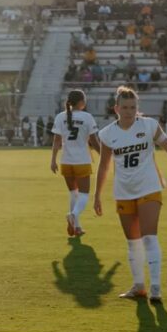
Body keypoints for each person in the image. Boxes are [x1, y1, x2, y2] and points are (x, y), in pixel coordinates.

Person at [94, 86, 167, 304]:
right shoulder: (107, 134)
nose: (130, 111)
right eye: (125, 107)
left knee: (150, 237)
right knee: (132, 242)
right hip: (123, 192)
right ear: (116, 108)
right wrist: (97, 195)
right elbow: (103, 167)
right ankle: (139, 286)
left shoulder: (149, 125)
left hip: (149, 188)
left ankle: (156, 288)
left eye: (133, 107)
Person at [50, 90, 100, 237]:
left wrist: (53, 160)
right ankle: (73, 215)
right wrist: (104, 156)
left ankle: (76, 227)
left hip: (66, 161)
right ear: (81, 102)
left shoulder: (60, 116)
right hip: (82, 161)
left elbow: (56, 141)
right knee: (84, 194)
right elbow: (94, 142)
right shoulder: (87, 117)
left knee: (73, 193)